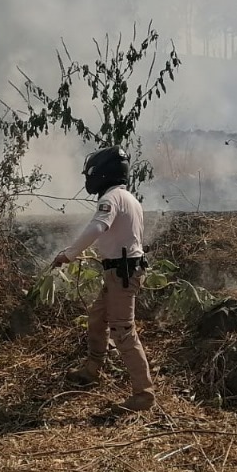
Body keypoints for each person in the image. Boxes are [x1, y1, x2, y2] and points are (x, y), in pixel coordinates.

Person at [51, 146, 156, 412]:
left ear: (103, 174)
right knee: (98, 318)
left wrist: (69, 254)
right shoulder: (129, 198)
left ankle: (143, 394)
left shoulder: (110, 199)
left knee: (122, 331)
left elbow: (98, 227)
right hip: (121, 272)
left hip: (122, 273)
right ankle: (92, 369)